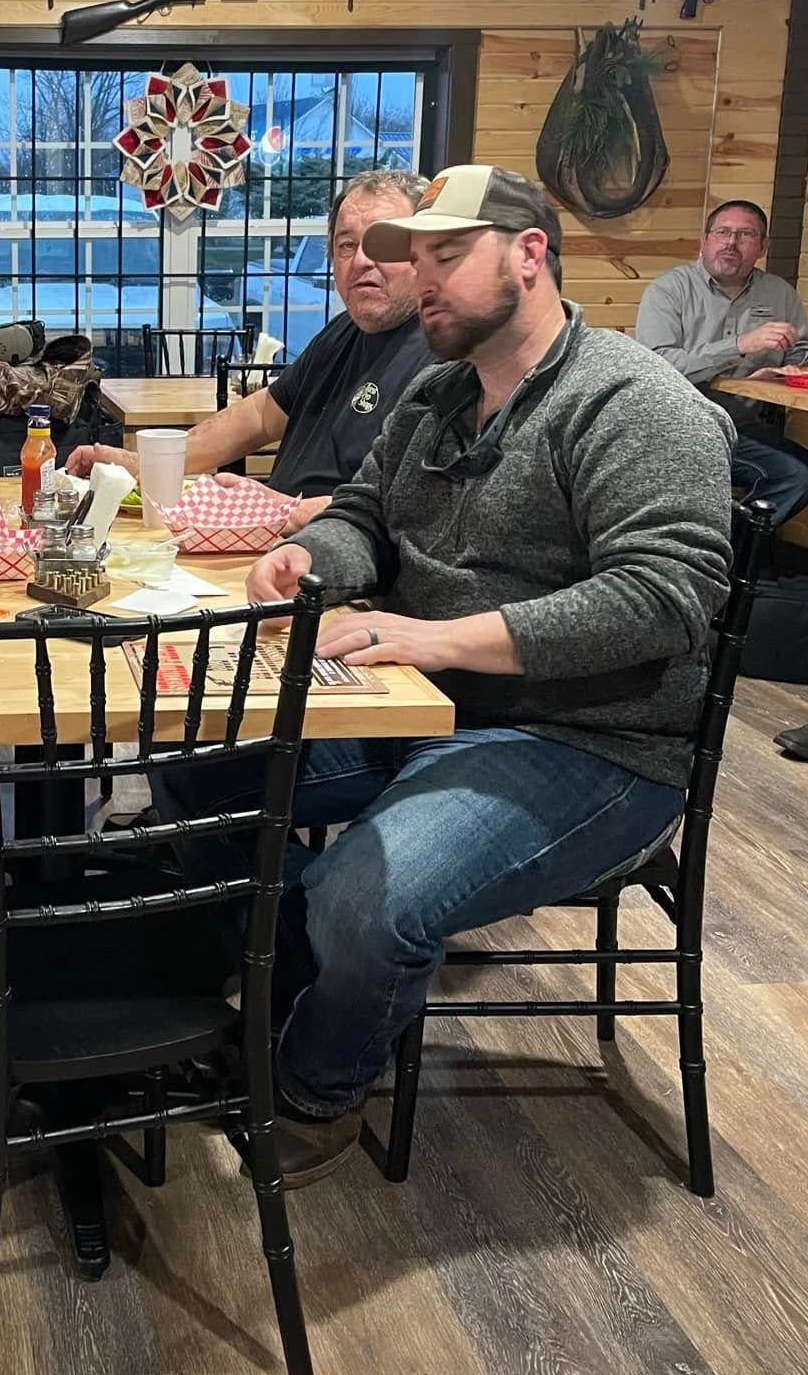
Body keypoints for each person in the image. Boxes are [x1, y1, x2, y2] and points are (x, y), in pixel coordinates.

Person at [154, 165, 735, 1187]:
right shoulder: (437, 393)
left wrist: (438, 638)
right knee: (194, 776)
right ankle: (278, 999)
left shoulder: (635, 401)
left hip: (594, 745)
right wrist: (312, 556)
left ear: (530, 253)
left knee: (362, 901)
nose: (422, 279)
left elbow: (665, 597)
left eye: (448, 254)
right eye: (413, 258)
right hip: (425, 707)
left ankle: (314, 1083)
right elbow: (364, 516)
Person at [68, 169, 431, 530]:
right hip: (276, 543)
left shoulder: (441, 360)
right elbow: (259, 416)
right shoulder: (342, 331)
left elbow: (401, 502)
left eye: (384, 243)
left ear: (426, 253)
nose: (362, 260)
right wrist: (139, 465)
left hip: (333, 555)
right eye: (347, 245)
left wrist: (280, 511)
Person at [636, 200, 808, 527]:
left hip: (745, 428)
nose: (731, 242)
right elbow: (658, 366)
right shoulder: (668, 290)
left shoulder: (779, 293)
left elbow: (803, 358)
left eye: (746, 234)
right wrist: (739, 345)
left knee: (804, 474)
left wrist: (783, 375)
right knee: (794, 474)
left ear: (763, 247)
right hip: (677, 428)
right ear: (704, 241)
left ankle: (719, 547)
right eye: (723, 232)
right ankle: (715, 548)